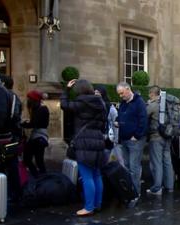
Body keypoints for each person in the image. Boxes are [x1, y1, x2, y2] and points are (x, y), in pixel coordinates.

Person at [60, 79, 107, 216]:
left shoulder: (81, 103)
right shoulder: (101, 103)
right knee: (97, 175)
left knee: (87, 176)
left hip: (84, 141)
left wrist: (67, 90)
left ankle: (88, 207)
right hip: (98, 140)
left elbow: (64, 105)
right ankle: (97, 204)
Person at [0, 70, 21, 201]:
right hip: (9, 136)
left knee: (0, 167)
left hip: (0, 138)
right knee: (10, 166)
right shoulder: (7, 93)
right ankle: (14, 195)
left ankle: (2, 197)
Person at [116, 82, 147, 197]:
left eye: (122, 93)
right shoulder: (123, 103)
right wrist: (117, 121)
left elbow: (143, 121)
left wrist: (137, 136)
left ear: (128, 89)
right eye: (119, 94)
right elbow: (120, 116)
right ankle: (130, 191)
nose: (121, 96)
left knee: (134, 167)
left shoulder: (139, 102)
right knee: (127, 167)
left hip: (135, 141)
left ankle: (135, 193)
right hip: (124, 139)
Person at [146, 85, 174, 195]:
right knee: (167, 162)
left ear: (152, 94)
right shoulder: (168, 105)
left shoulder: (153, 105)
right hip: (167, 137)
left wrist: (148, 103)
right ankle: (169, 186)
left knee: (157, 163)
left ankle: (157, 188)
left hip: (156, 137)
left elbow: (144, 116)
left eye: (149, 94)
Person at [21, 90, 49, 177]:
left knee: (30, 159)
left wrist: (22, 124)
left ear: (34, 99)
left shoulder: (41, 109)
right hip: (39, 137)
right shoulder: (40, 108)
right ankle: (41, 178)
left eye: (29, 98)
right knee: (38, 160)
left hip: (38, 137)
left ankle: (40, 177)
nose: (28, 100)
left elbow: (33, 124)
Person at [94, 85, 118, 150]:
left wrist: (116, 140)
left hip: (106, 138)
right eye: (95, 92)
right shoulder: (92, 105)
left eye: (98, 92)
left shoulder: (110, 108)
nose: (96, 94)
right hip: (94, 137)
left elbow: (115, 123)